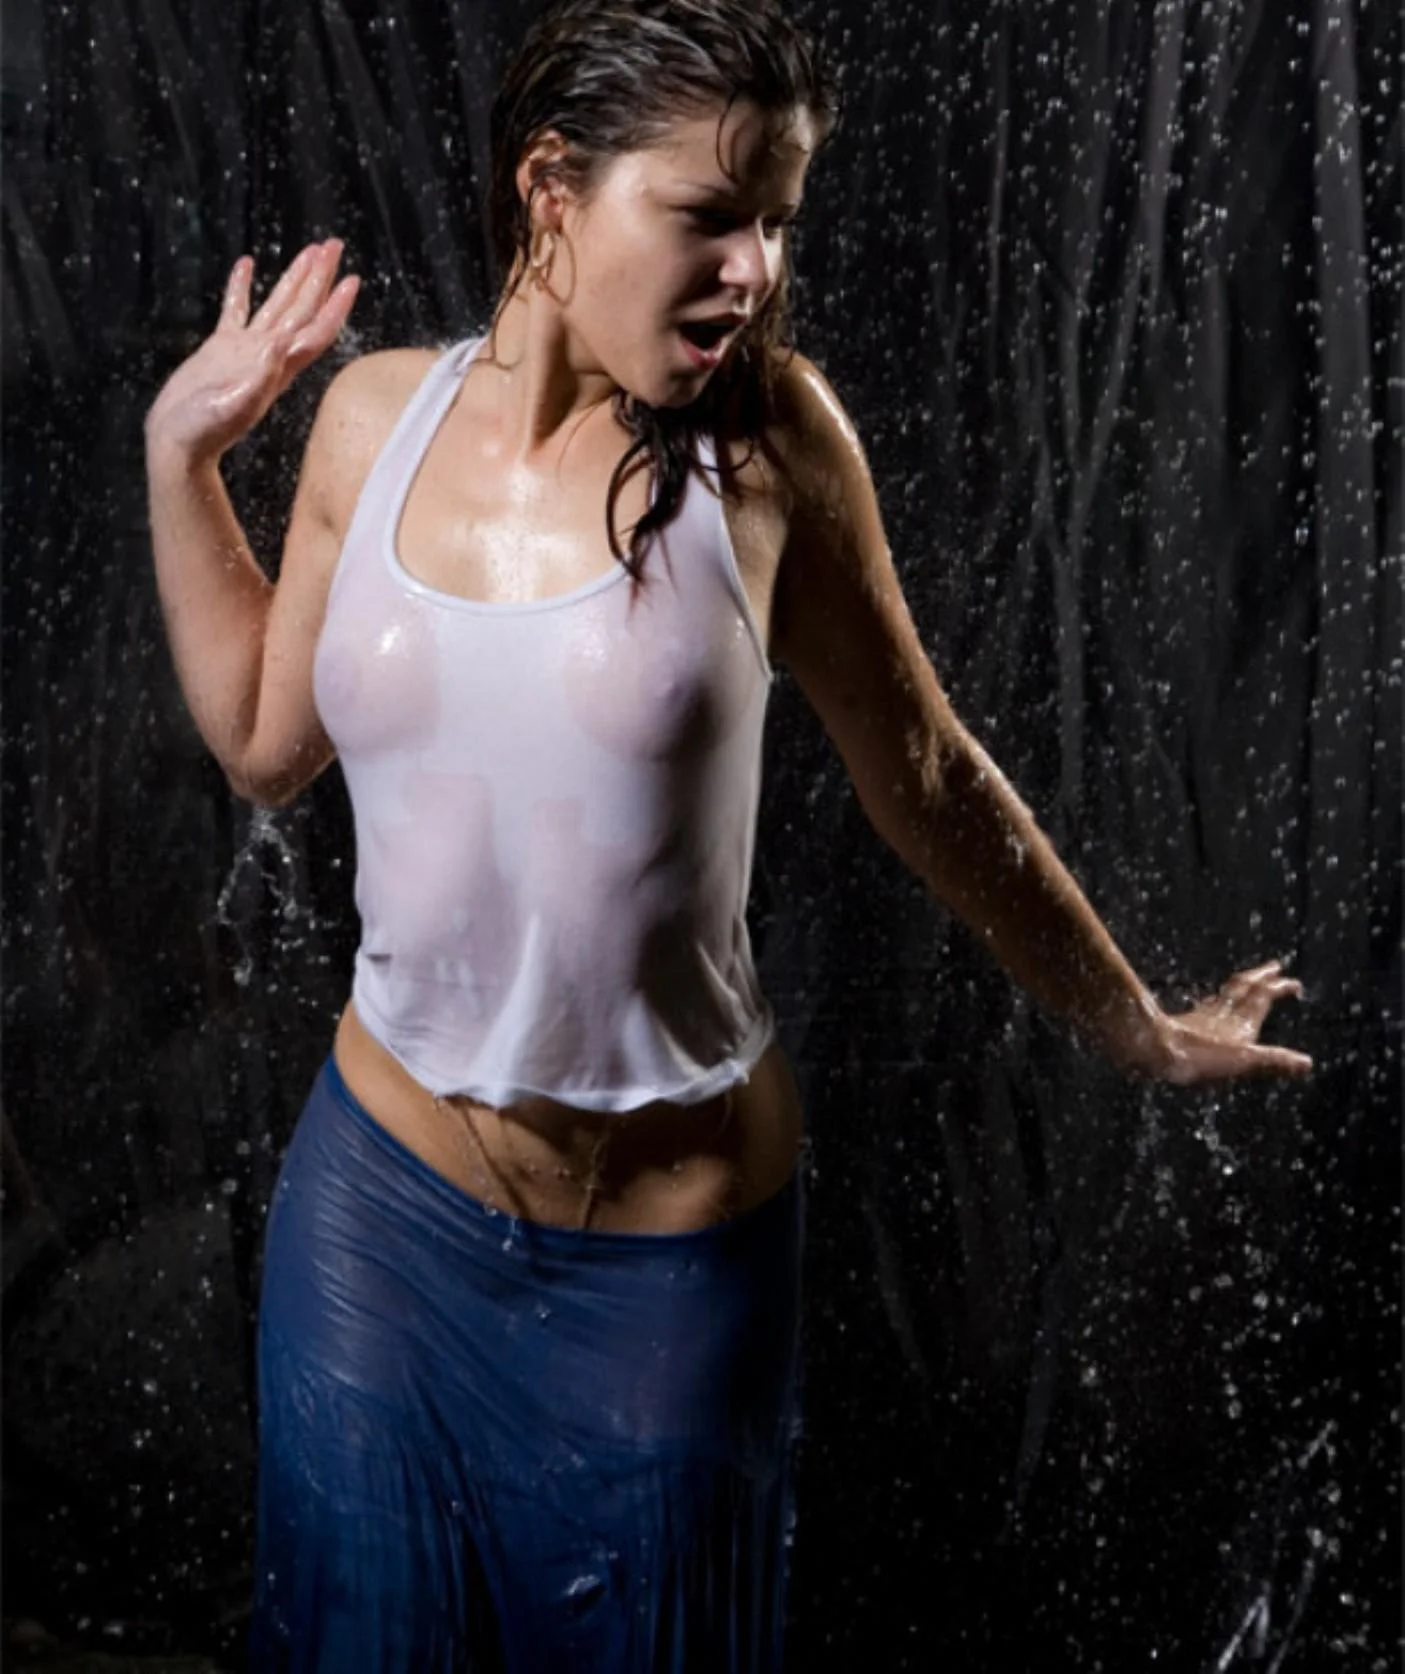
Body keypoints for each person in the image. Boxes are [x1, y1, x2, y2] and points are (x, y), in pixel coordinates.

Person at [144, 0, 1312, 1667]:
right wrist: (180, 456)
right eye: (709, 215)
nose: (755, 270)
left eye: (777, 221)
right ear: (553, 189)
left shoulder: (770, 454)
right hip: (380, 1224)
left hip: (666, 1269)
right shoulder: (368, 423)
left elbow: (930, 775)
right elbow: (264, 749)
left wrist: (1133, 1021)